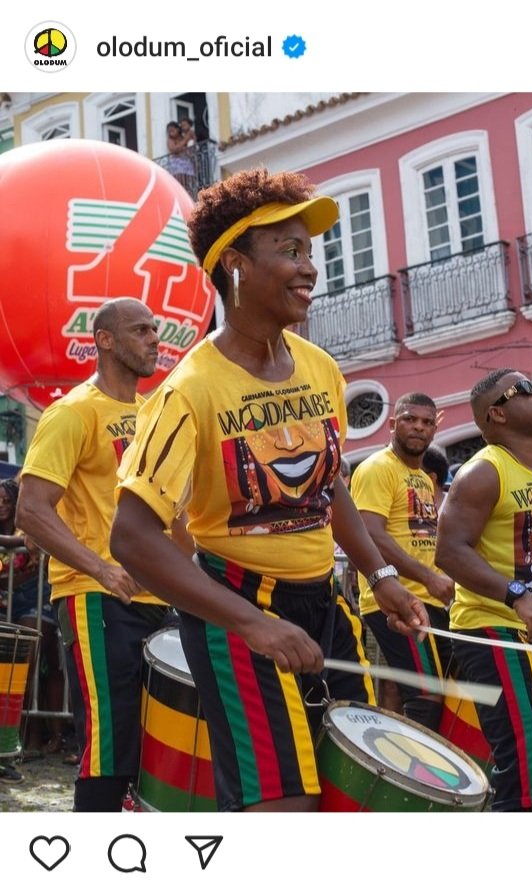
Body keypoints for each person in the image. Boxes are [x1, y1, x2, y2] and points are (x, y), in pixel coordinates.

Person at [110, 167, 429, 813]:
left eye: (309, 251)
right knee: (281, 809)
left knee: (347, 790)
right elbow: (132, 536)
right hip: (237, 606)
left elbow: (328, 484)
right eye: (288, 251)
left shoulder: (321, 369)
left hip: (324, 605)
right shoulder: (189, 390)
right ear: (234, 266)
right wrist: (253, 624)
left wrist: (378, 574)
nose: (308, 268)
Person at [16, 297, 174, 812]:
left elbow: (177, 511)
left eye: (156, 329)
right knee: (110, 746)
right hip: (94, 599)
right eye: (141, 330)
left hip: (159, 598)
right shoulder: (73, 412)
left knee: (160, 745)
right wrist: (101, 568)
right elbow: (32, 511)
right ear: (104, 340)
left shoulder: (155, 415)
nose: (155, 339)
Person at [436, 369, 532, 811]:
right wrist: (517, 596)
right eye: (525, 390)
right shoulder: (483, 473)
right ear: (498, 414)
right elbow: (448, 552)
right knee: (526, 765)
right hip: (491, 630)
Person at [351, 393, 453, 728]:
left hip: (427, 599)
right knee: (424, 696)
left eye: (426, 422)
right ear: (393, 424)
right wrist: (428, 577)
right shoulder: (376, 468)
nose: (418, 427)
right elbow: (370, 533)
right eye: (410, 419)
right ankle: (418, 778)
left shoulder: (424, 479)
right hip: (393, 601)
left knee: (432, 693)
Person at [0, 478, 64, 759]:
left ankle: (38, 736)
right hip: (7, 607)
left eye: (6, 500)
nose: (2, 506)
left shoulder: (27, 526)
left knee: (28, 667)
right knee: (13, 673)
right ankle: (19, 738)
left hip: (36, 603)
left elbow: (36, 543)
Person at [165, 120, 195, 188]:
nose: (170, 133)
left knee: (187, 184)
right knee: (179, 183)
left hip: (186, 161)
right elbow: (173, 149)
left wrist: (191, 136)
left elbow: (191, 147)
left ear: (178, 129)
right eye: (169, 132)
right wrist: (185, 141)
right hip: (177, 163)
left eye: (172, 130)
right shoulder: (170, 140)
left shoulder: (183, 137)